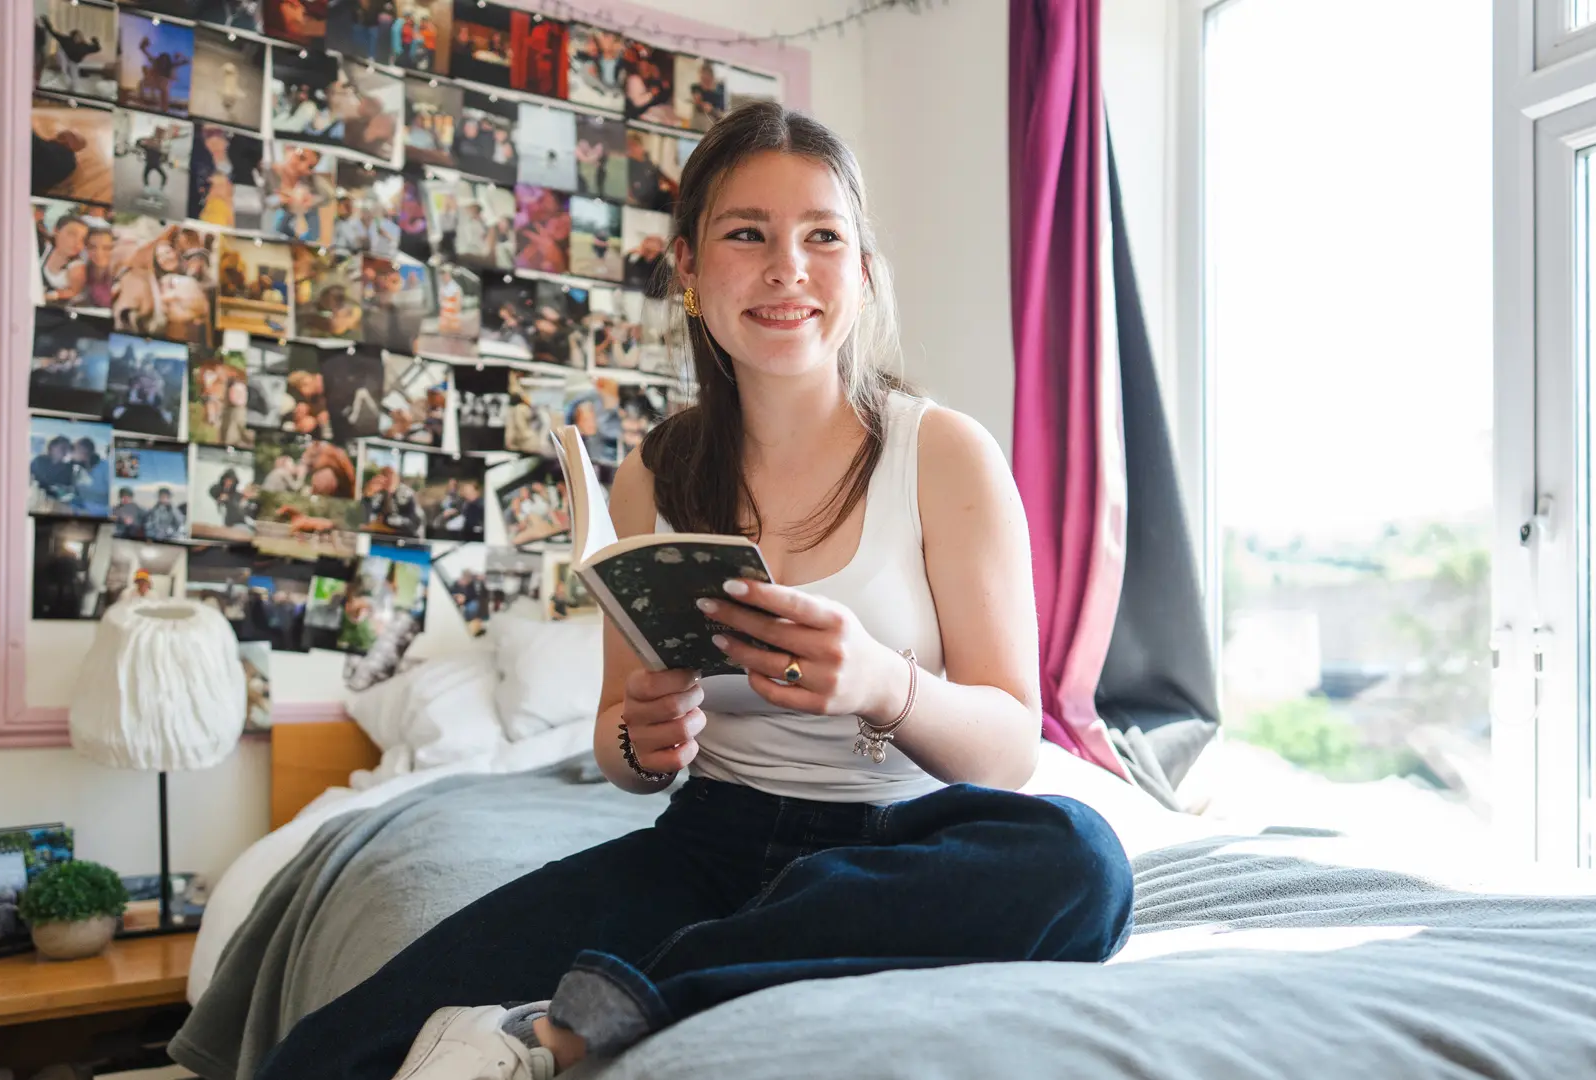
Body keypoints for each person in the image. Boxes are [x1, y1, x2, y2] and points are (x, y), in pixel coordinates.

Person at [254, 100, 1132, 1080]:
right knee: (324, 1054)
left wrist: (884, 682)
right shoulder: (654, 474)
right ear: (687, 271)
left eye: (822, 238)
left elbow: (1013, 747)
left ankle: (587, 1022)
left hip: (899, 845)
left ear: (863, 270)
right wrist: (646, 734)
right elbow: (624, 752)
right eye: (746, 234)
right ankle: (676, 979)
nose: (786, 267)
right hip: (705, 846)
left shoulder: (944, 455)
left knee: (1082, 861)